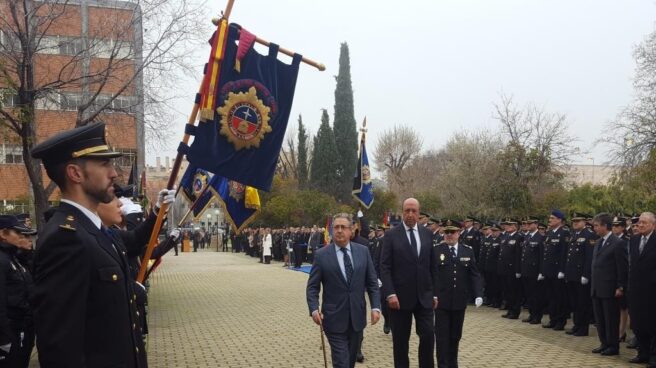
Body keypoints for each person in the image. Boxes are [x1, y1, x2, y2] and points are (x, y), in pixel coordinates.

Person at [30, 122, 147, 367]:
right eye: (104, 164)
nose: (113, 173)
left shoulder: (95, 231)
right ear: (75, 174)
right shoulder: (66, 239)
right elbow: (60, 348)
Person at [306, 213, 381, 368]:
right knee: (341, 362)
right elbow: (312, 287)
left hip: (357, 318)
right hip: (333, 319)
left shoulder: (363, 251)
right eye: (336, 227)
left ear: (351, 230)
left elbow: (372, 283)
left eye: (343, 227)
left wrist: (375, 307)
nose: (339, 231)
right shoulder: (321, 255)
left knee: (350, 361)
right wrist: (314, 309)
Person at [380, 198, 436, 368]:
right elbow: (384, 266)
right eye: (407, 210)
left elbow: (431, 265)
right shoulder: (391, 235)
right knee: (400, 343)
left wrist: (434, 293)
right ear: (402, 212)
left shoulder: (427, 234)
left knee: (428, 336)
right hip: (399, 299)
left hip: (424, 298)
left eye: (414, 211)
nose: (410, 214)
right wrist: (390, 293)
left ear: (419, 213)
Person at [433, 219, 483, 368]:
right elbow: (431, 275)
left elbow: (474, 274)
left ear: (459, 233)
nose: (449, 235)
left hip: (459, 301)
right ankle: (442, 364)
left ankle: (453, 363)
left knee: (455, 336)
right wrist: (432, 294)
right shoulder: (436, 250)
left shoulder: (467, 250)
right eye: (446, 232)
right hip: (441, 301)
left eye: (452, 232)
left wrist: (478, 294)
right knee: (442, 337)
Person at [0, 215, 37, 368]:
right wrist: (4, 339)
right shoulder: (2, 261)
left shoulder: (13, 257)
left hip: (23, 327)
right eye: (17, 233)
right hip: (10, 332)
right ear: (3, 234)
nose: (22, 237)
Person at [590, 212, 628, 357]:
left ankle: (613, 346)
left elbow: (622, 267)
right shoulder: (599, 242)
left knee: (611, 318)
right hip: (596, 287)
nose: (595, 229)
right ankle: (604, 343)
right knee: (600, 319)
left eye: (597, 226)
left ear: (605, 226)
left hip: (610, 288)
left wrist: (620, 286)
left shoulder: (618, 243)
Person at [627, 212, 656, 366]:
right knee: (638, 324)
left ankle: (653, 356)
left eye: (644, 222)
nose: (640, 225)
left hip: (652, 290)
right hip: (636, 290)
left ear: (653, 225)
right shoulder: (634, 240)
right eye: (639, 222)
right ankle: (642, 353)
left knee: (652, 324)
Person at [540, 209, 570, 331]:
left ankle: (560, 321)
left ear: (559, 220)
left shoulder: (564, 233)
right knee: (551, 296)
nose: (550, 220)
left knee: (559, 297)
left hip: (558, 271)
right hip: (549, 270)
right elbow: (546, 254)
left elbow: (564, 253)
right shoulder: (550, 233)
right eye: (550, 218)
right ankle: (553, 319)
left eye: (552, 218)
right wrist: (543, 270)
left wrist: (562, 270)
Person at [519, 216, 545, 324]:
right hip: (526, 270)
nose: (528, 226)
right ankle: (531, 314)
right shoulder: (527, 237)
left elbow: (542, 256)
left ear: (536, 224)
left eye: (530, 224)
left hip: (535, 271)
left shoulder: (540, 237)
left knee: (536, 295)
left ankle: (537, 316)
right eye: (527, 224)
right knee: (529, 294)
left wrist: (541, 272)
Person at [498, 218, 523, 319]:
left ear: (515, 226)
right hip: (504, 269)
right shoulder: (505, 236)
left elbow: (518, 255)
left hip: (512, 269)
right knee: (507, 291)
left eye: (509, 225)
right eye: (506, 225)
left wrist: (518, 270)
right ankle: (509, 310)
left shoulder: (519, 237)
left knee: (514, 291)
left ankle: (515, 311)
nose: (507, 226)